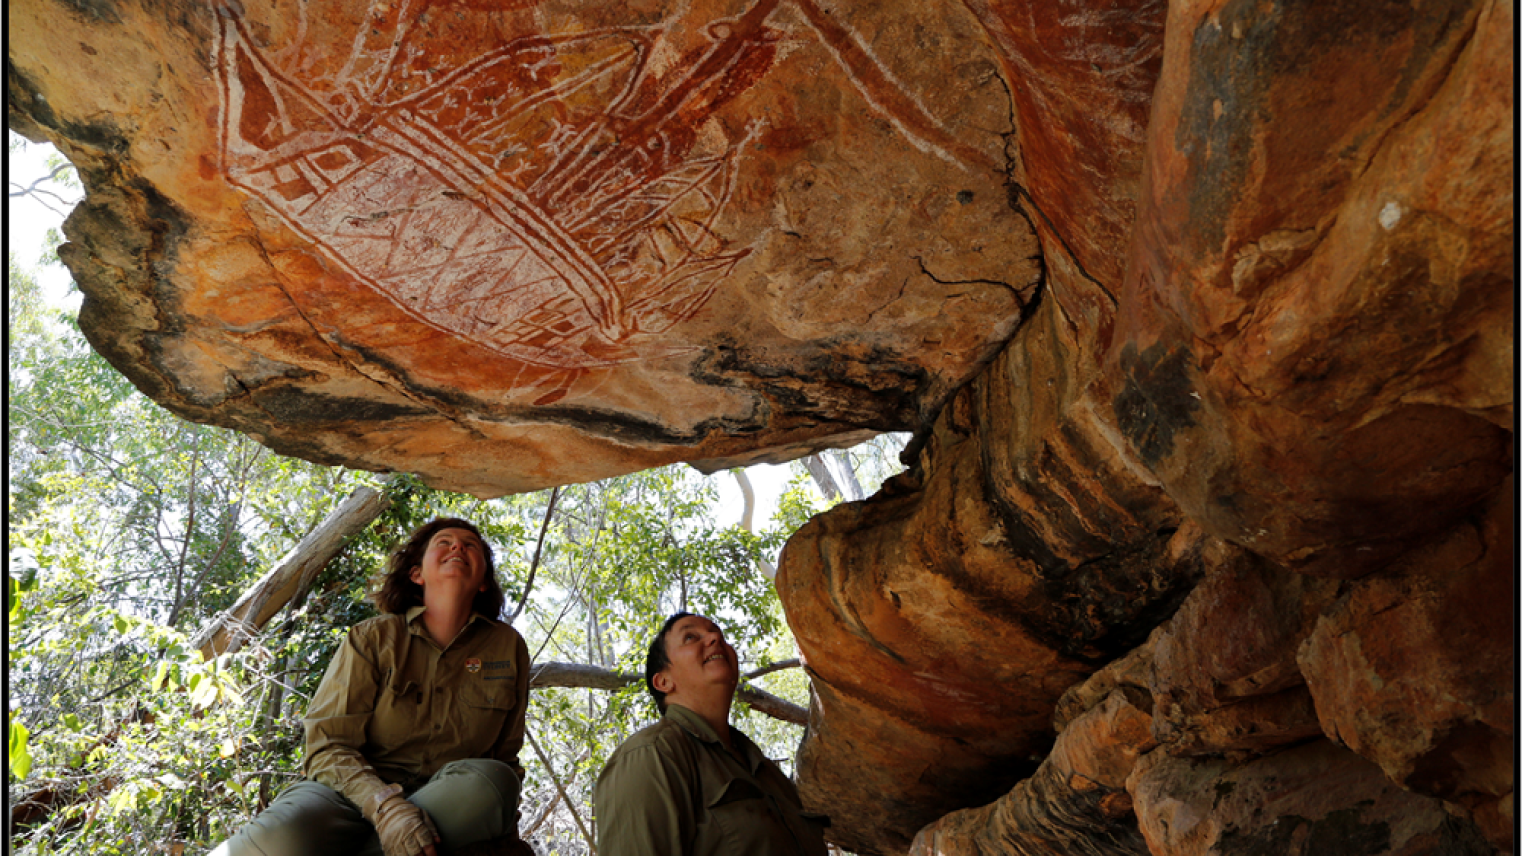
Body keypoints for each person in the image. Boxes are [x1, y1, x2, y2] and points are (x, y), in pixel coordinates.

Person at [212, 517, 531, 856]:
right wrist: (387, 808)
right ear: (417, 574)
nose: (457, 547)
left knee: (495, 782)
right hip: (347, 797)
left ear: (483, 581)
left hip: (446, 804)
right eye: (444, 542)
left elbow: (505, 757)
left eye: (471, 545)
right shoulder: (372, 638)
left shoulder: (508, 647)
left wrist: (502, 831)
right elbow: (327, 745)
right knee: (283, 835)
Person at [594, 611, 829, 855]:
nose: (715, 637)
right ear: (664, 681)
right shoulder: (652, 755)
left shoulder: (765, 770)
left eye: (719, 633)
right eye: (690, 637)